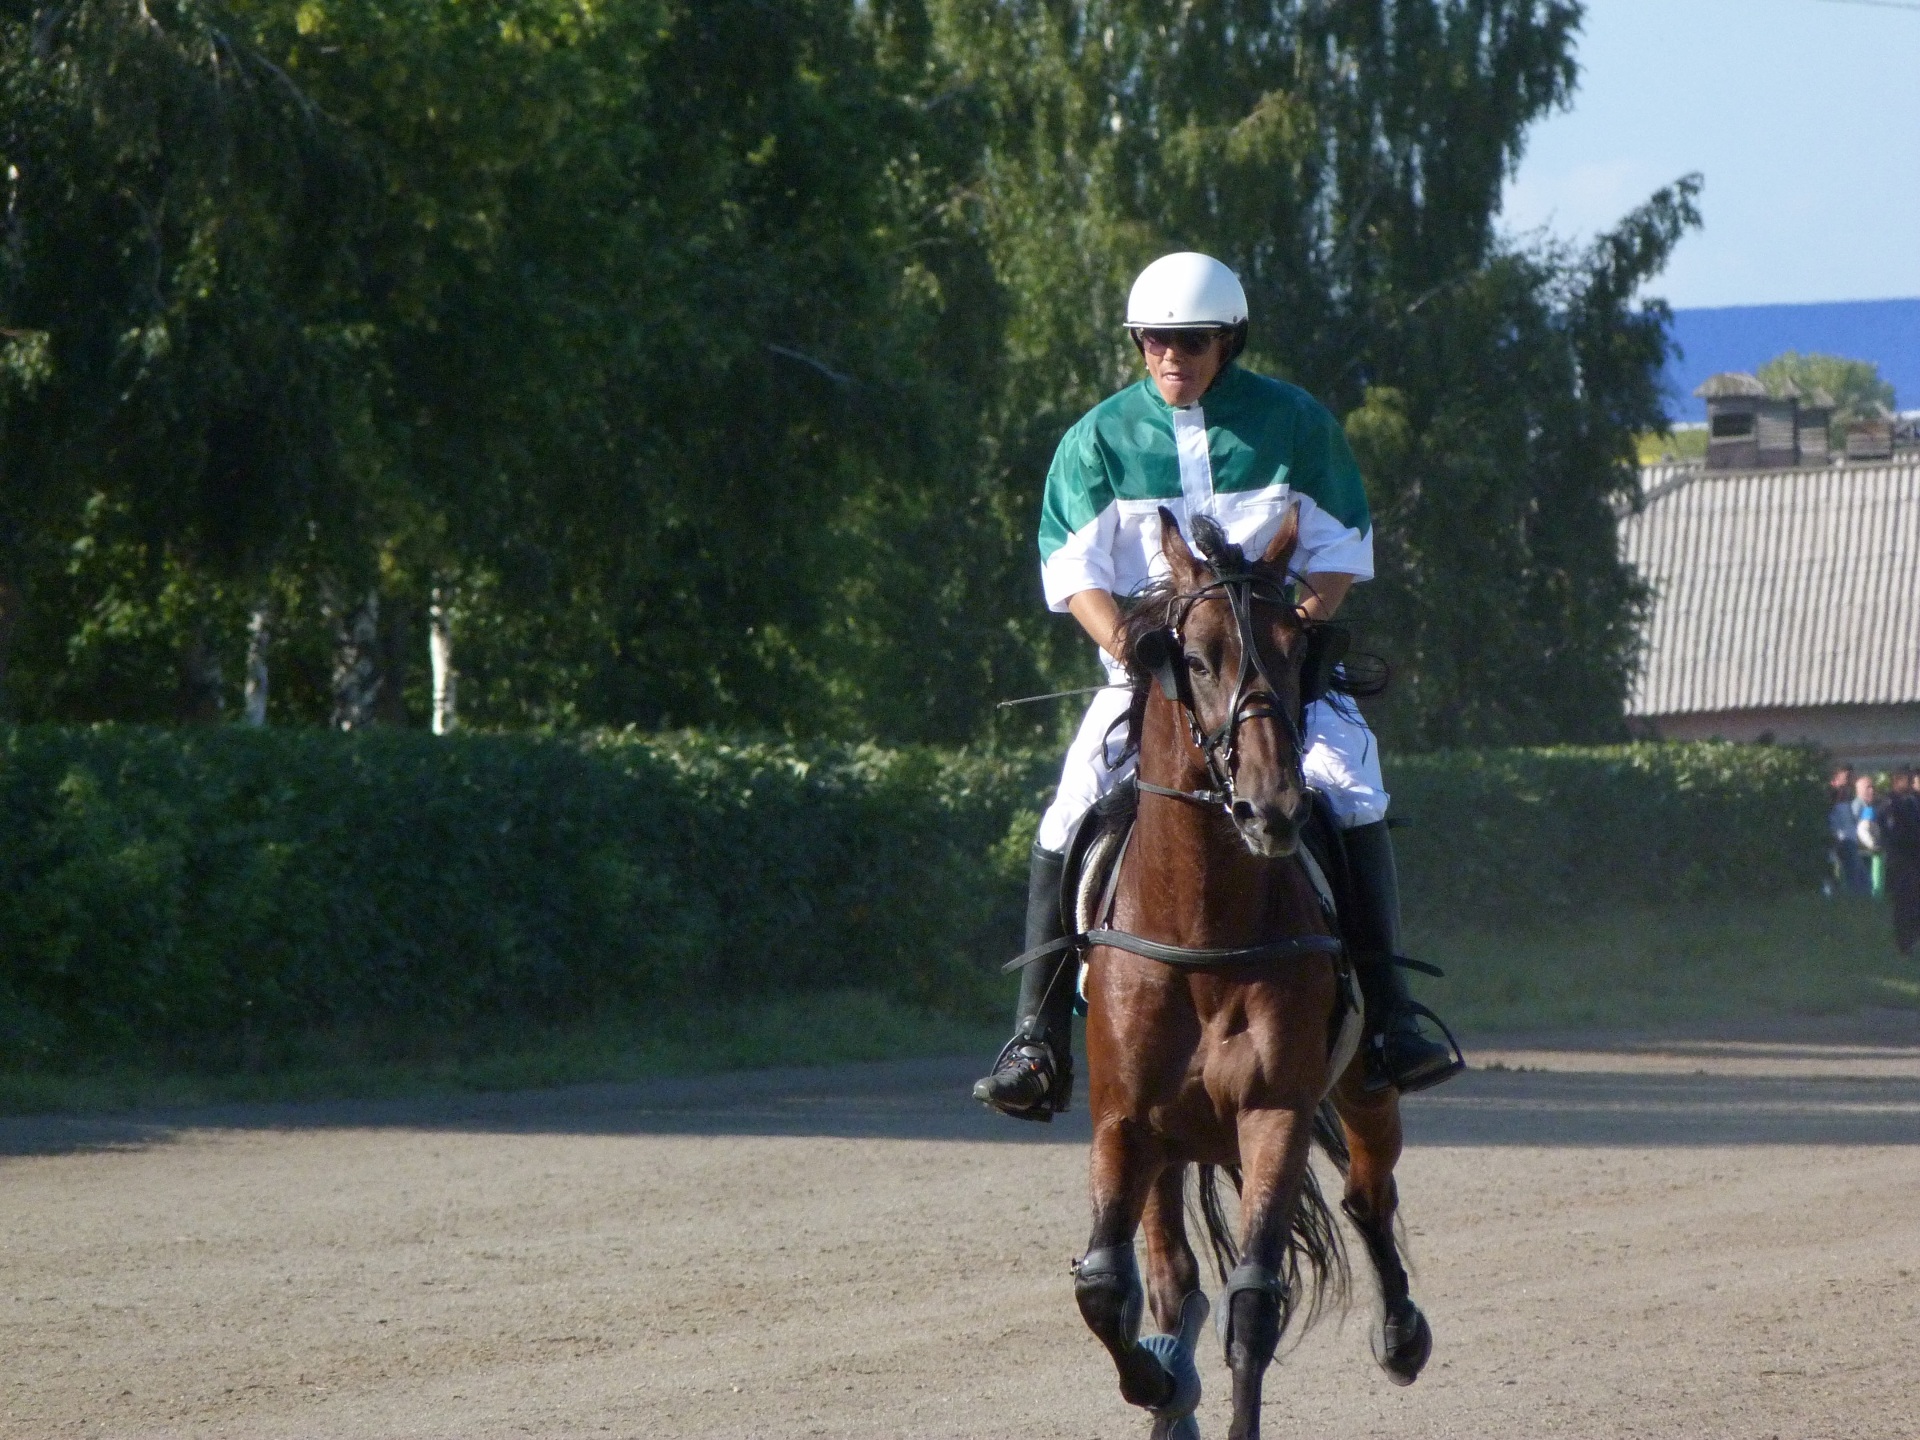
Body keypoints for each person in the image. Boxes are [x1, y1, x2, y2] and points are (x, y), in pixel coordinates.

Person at [971, 251, 1462, 1122]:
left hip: (1277, 678)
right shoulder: (1096, 439)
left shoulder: (1295, 423)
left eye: (1192, 341)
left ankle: (1392, 1018)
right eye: (1155, 341)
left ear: (1227, 341)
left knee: (1352, 791)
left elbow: (1339, 552)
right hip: (1151, 679)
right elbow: (1073, 571)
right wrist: (1129, 648)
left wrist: (1288, 641)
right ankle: (1035, 1040)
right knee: (1068, 808)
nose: (1172, 356)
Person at [1882, 769, 1920, 955]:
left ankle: (1913, 939)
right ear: (1898, 782)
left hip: (1914, 860)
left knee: (1915, 903)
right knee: (1904, 903)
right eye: (1908, 781)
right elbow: (1895, 833)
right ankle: (1904, 943)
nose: (1912, 784)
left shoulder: (1911, 802)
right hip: (1901, 861)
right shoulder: (1892, 804)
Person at [1829, 769, 1865, 897]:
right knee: (1853, 875)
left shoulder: (1850, 802)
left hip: (1850, 840)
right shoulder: (1834, 803)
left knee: (1858, 876)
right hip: (1842, 840)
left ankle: (1856, 898)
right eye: (1845, 779)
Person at [1853, 774, 1884, 899]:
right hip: (1860, 845)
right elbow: (1857, 826)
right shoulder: (1858, 805)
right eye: (1868, 787)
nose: (1872, 790)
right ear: (1859, 790)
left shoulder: (1870, 806)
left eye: (1873, 787)